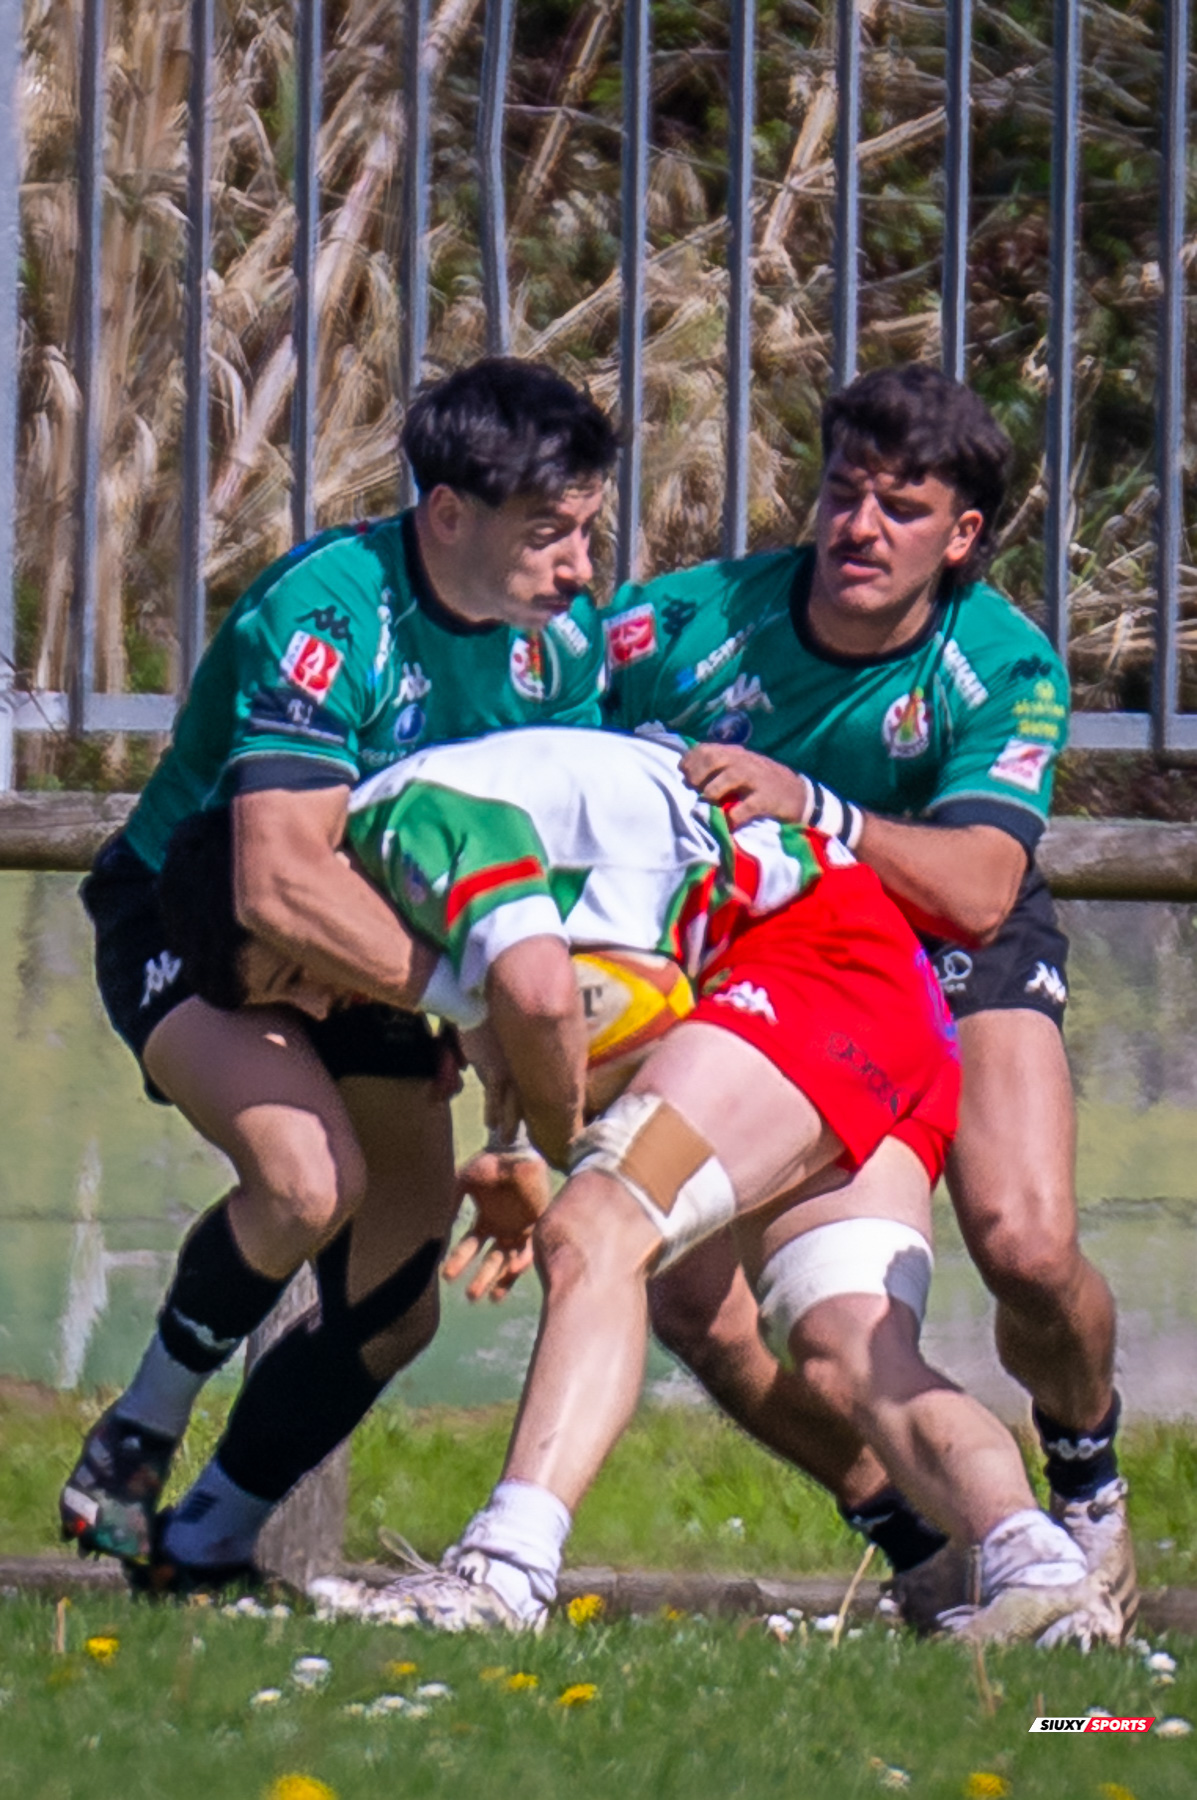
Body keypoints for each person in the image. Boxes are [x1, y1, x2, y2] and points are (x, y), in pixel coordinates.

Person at [250, 727, 1117, 1650]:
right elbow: (606, 993)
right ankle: (1045, 1574)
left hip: (815, 968)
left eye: (289, 975)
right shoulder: (446, 855)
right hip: (884, 1002)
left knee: (595, 1230)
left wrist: (553, 1154)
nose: (319, 1005)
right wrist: (516, 1143)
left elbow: (552, 996)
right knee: (845, 1350)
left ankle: (503, 1576)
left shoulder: (402, 818)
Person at [59, 359, 618, 1584]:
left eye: (587, 531)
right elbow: (275, 885)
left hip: (383, 959)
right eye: (550, 534)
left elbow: (531, 889)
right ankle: (138, 1433)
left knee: (396, 1302)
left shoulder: (561, 650)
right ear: (450, 514)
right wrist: (481, 1008)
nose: (580, 567)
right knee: (310, 1181)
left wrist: (516, 1131)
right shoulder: (329, 612)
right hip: (200, 924)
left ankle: (203, 1544)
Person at [595, 363, 1133, 1632]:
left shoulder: (1003, 661)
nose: (860, 528)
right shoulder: (677, 626)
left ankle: (1087, 1479)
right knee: (694, 1308)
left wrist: (817, 808)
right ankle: (913, 1536)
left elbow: (984, 886)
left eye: (902, 507)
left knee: (1025, 1243)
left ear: (960, 539)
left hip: (948, 939)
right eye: (843, 493)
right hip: (767, 956)